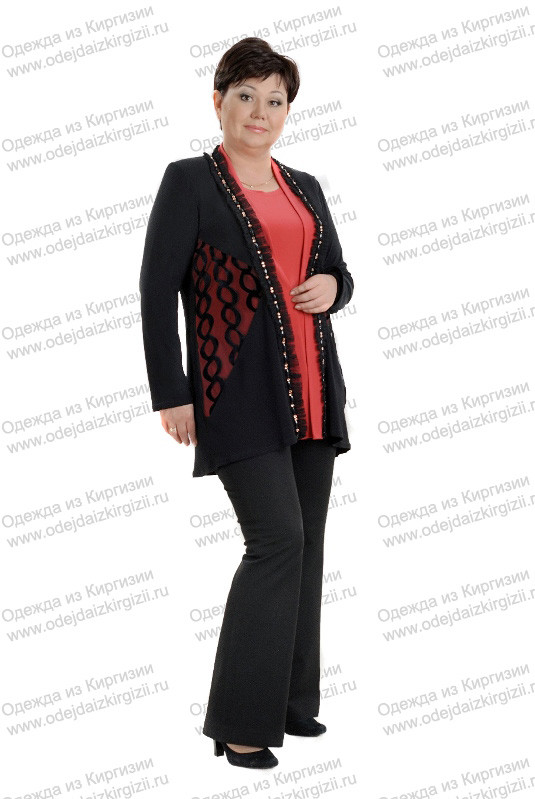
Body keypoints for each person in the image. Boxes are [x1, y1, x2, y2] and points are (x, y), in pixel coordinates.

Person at [139, 37, 354, 770]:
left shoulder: (306, 186)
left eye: (275, 100)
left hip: (314, 390)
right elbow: (156, 291)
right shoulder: (189, 182)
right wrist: (172, 392)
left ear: (287, 111)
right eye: (246, 96)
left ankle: (288, 702)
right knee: (276, 540)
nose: (260, 112)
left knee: (307, 545)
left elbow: (336, 271)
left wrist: (335, 287)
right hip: (235, 392)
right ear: (218, 101)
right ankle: (238, 722)